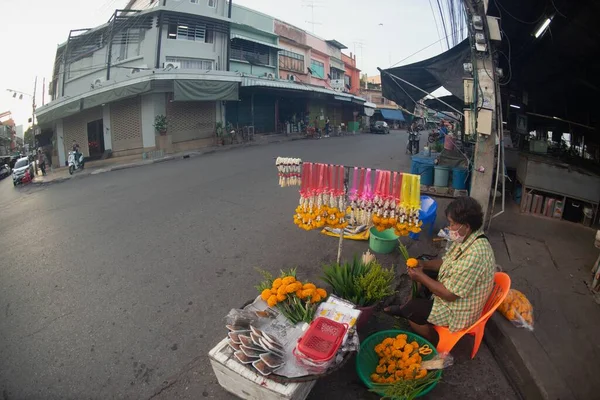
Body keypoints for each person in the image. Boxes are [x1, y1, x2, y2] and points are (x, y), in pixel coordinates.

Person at [385, 196, 496, 343]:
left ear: (466, 226)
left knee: (413, 309)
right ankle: (407, 307)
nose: (449, 228)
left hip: (459, 311)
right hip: (454, 288)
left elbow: (450, 295)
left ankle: (434, 339)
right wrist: (423, 265)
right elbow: (446, 262)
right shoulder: (469, 238)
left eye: (452, 224)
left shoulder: (476, 255)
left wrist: (420, 277)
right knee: (423, 267)